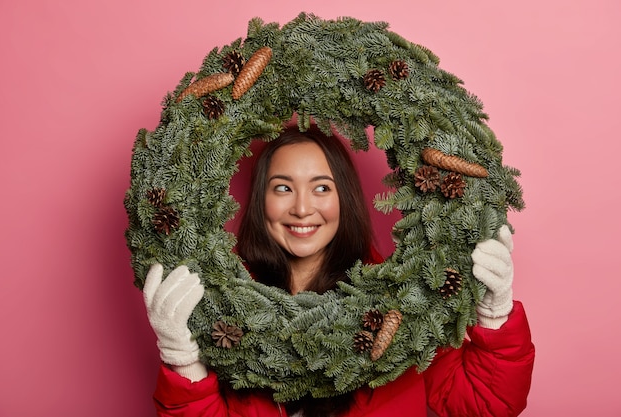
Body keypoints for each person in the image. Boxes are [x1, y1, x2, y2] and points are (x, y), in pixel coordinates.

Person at [143, 126, 535, 417]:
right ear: (261, 200)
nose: (301, 208)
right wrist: (184, 362)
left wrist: (494, 316)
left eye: (321, 188)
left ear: (343, 197)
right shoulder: (220, 307)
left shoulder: (402, 302)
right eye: (282, 188)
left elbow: (487, 404)